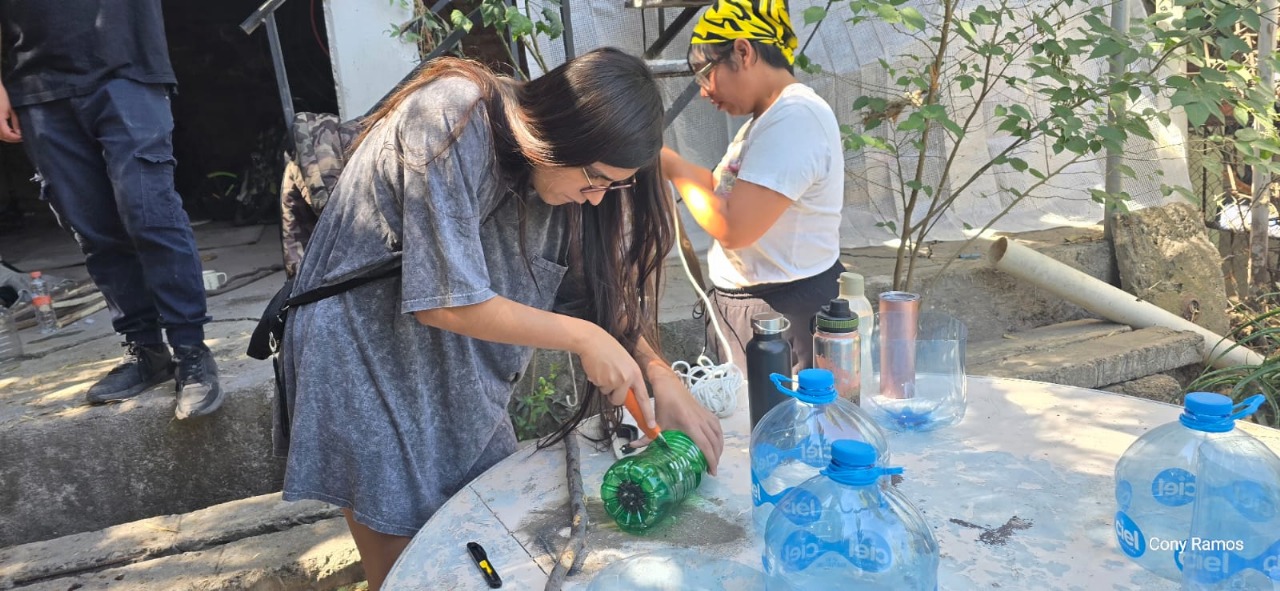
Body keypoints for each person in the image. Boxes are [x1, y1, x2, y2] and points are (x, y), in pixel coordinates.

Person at [280, 48, 724, 590]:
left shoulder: (565, 188)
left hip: (452, 375)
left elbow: (595, 303)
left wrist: (659, 375)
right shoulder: (452, 114)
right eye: (597, 179)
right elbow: (444, 301)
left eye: (614, 186)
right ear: (563, 132)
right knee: (411, 572)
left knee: (484, 554)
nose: (595, 198)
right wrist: (583, 339)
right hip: (363, 360)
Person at [0, 1, 222, 418]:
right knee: (93, 228)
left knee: (149, 212)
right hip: (35, 83)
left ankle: (191, 350)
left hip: (126, 65)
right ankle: (146, 351)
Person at [661, 0, 845, 375]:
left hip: (785, 312)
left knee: (783, 426)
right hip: (762, 306)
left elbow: (735, 227)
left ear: (743, 51)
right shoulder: (767, 120)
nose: (702, 91)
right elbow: (717, 191)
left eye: (704, 72)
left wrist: (669, 163)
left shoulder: (795, 118)